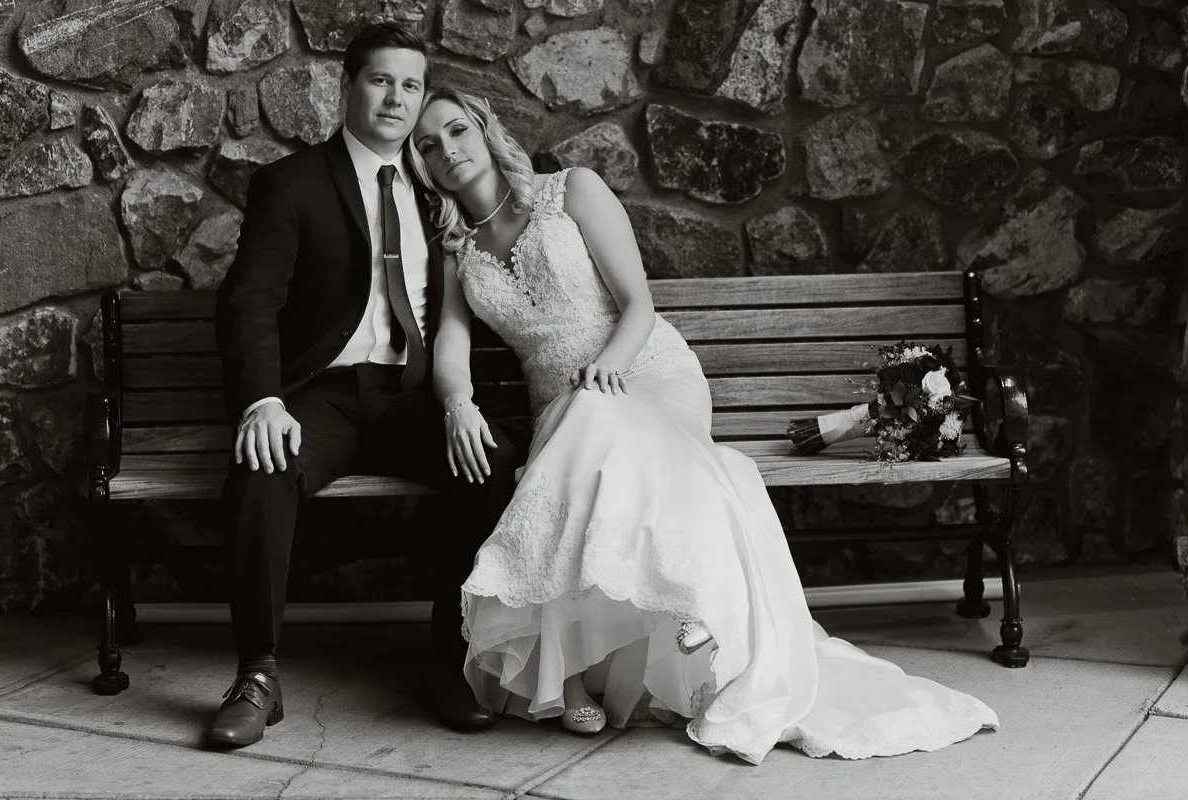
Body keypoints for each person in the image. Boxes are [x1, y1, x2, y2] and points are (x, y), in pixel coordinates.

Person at [408, 88, 999, 765]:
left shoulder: (572, 190)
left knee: (607, 424)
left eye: (456, 130)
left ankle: (689, 601)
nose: (447, 150)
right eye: (428, 145)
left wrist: (608, 368)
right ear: (422, 165)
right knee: (588, 433)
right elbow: (450, 352)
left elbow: (637, 304)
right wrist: (458, 403)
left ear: (484, 131)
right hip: (564, 407)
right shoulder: (457, 251)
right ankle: (573, 672)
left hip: (647, 370)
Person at [208, 25, 520, 748]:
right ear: (347, 86)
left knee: (493, 463)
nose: (397, 97)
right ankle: (257, 674)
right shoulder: (290, 184)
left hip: (411, 393)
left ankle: (450, 661)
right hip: (320, 395)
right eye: (381, 80)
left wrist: (459, 403)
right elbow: (249, 302)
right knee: (262, 465)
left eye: (411, 85)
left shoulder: (437, 183)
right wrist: (262, 401)